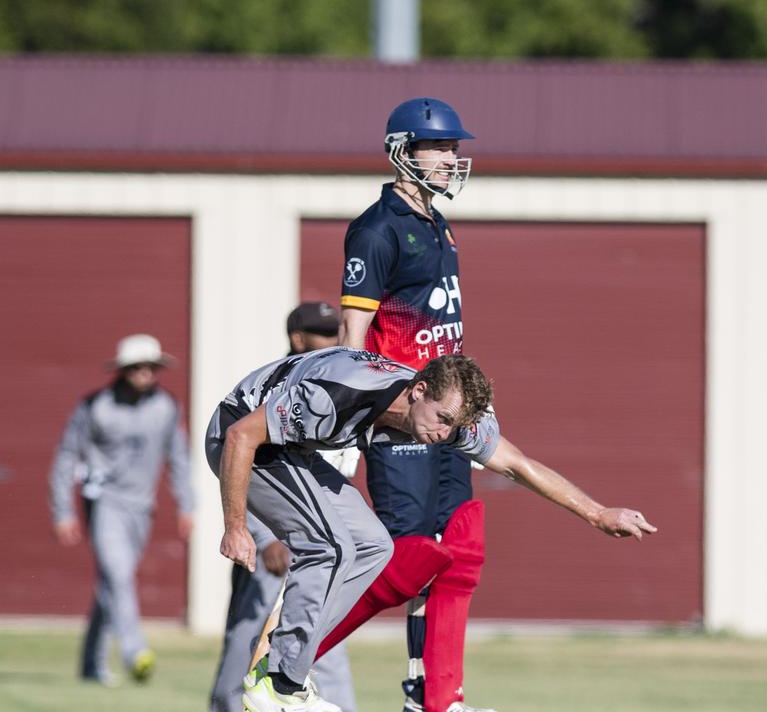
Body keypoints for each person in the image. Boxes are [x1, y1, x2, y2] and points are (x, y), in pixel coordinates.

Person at [207, 350, 655, 712]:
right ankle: (277, 686)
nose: (445, 435)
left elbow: (517, 464)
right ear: (418, 390)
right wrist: (236, 527)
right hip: (240, 437)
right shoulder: (341, 393)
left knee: (373, 546)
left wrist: (597, 514)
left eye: (455, 427)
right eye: (442, 419)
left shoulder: (447, 416)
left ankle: (284, 675)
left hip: (293, 449)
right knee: (331, 546)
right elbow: (242, 437)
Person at [336, 96, 488, 712]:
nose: (453, 159)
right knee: (407, 559)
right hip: (399, 415)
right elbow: (351, 339)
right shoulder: (377, 228)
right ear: (403, 150)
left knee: (453, 551)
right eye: (442, 148)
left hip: (446, 418)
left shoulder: (436, 222)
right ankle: (288, 653)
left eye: (455, 148)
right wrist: (348, 424)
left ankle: (430, 691)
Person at [208, 302, 358, 712]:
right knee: (248, 643)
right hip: (275, 542)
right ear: (298, 339)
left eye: (337, 333)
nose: (335, 341)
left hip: (322, 537)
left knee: (322, 642)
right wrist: (263, 535)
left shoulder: (342, 383)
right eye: (324, 334)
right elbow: (251, 464)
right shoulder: (277, 391)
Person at [49, 333, 194, 686]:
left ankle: (91, 664)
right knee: (119, 576)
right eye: (137, 367)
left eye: (151, 367)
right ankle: (135, 652)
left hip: (142, 508)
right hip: (104, 503)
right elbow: (66, 457)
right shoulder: (95, 407)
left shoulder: (166, 407)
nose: (145, 373)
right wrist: (62, 511)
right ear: (123, 370)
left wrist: (187, 504)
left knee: (111, 585)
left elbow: (179, 457)